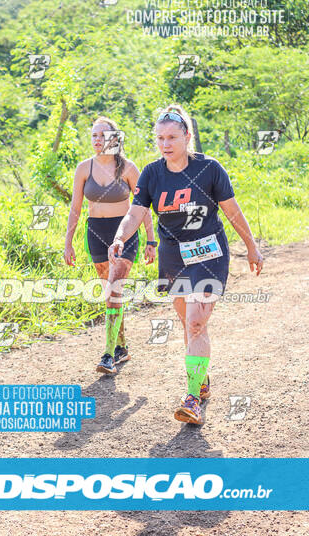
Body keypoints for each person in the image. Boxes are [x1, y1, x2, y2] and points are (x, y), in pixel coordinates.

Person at [108, 104, 263, 424]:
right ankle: (200, 379)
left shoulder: (210, 169)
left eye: (172, 137)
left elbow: (232, 211)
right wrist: (121, 237)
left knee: (195, 321)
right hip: (174, 257)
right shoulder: (152, 173)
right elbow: (136, 213)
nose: (165, 143)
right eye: (160, 138)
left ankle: (192, 398)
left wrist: (251, 246)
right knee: (187, 323)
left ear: (187, 137)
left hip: (209, 255)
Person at [64, 116, 156, 375]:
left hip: (124, 233)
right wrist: (68, 244)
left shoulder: (128, 168)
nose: (97, 140)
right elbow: (75, 208)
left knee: (114, 289)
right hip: (95, 232)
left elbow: (143, 207)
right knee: (110, 293)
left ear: (114, 139)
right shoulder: (84, 168)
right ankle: (122, 347)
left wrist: (151, 240)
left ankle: (107, 354)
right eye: (94, 135)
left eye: (102, 135)